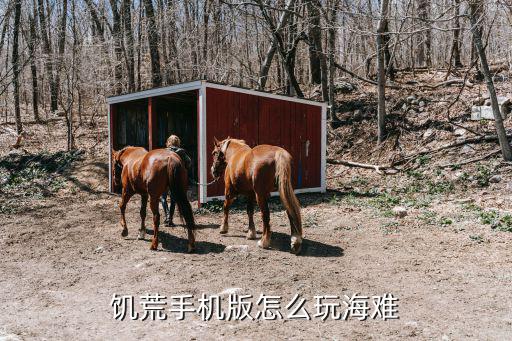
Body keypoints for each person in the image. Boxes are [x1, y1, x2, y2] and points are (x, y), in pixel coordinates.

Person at [161, 135, 192, 227]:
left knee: (163, 197)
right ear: (178, 143)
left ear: (168, 142)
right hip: (176, 178)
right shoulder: (181, 152)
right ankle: (170, 218)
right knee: (173, 198)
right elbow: (189, 162)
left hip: (164, 177)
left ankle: (166, 216)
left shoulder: (164, 152)